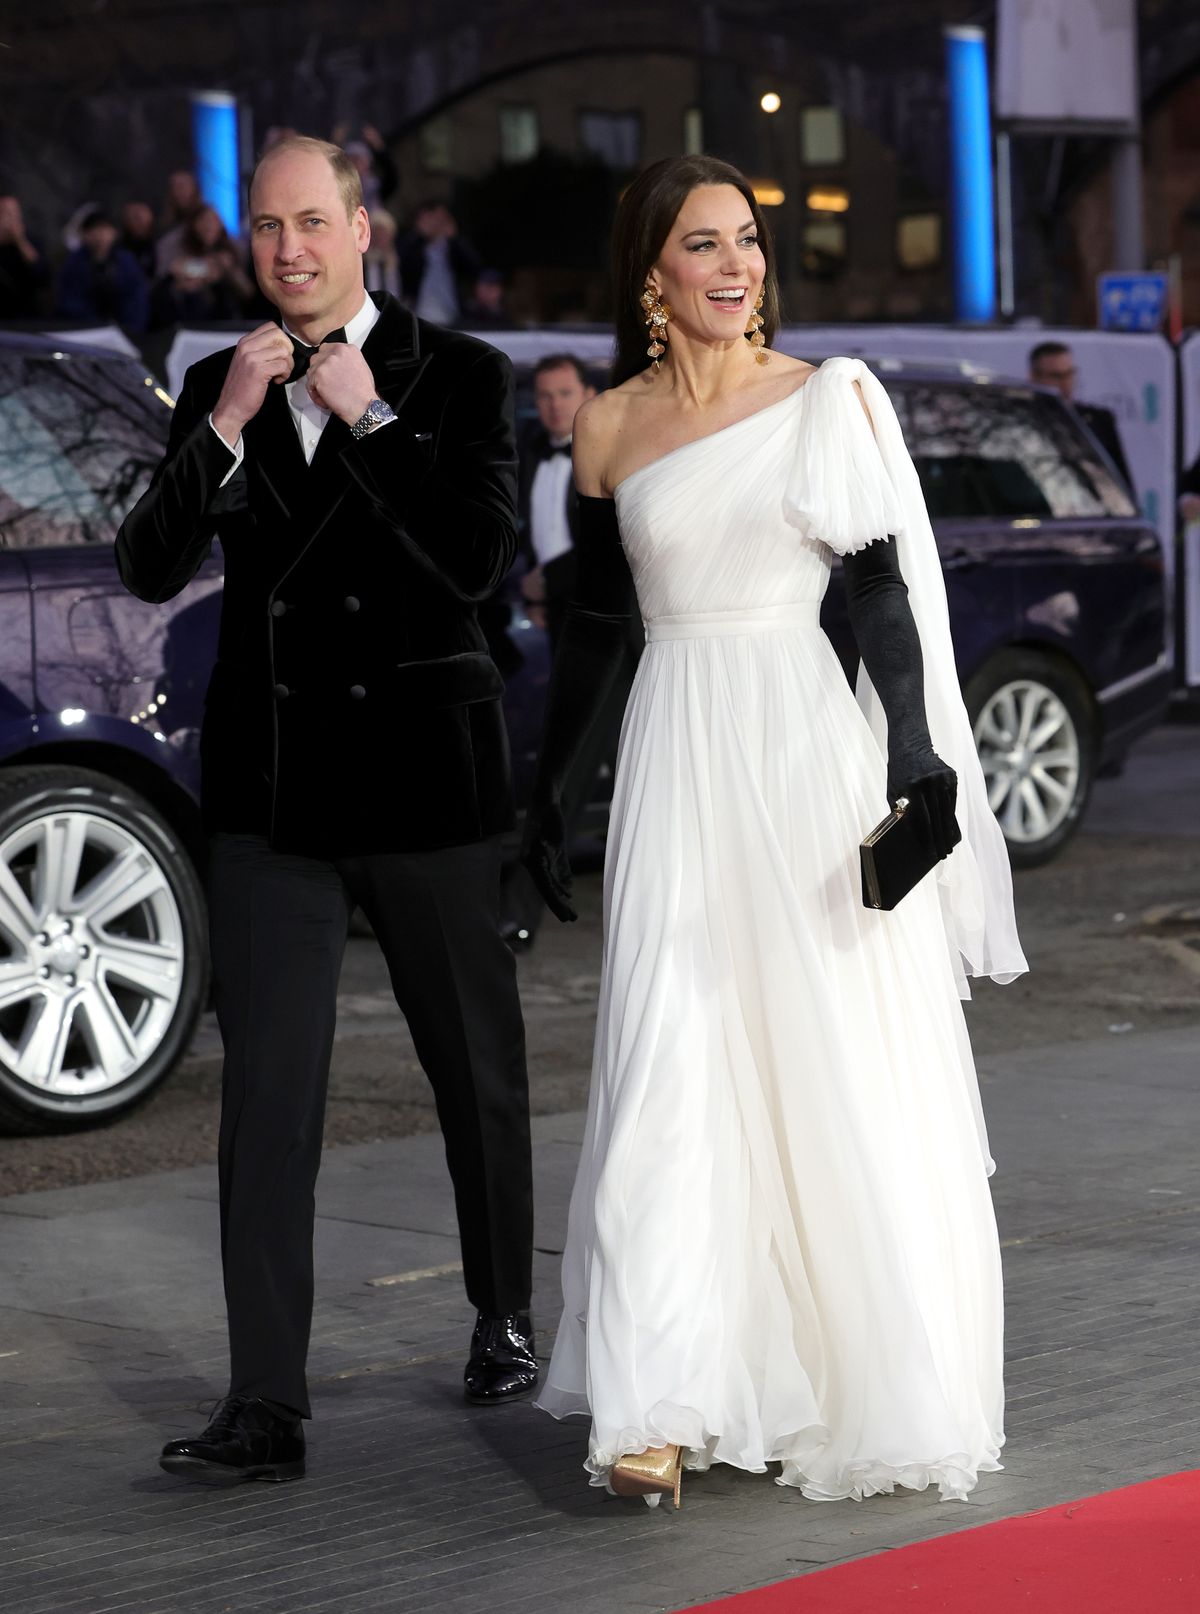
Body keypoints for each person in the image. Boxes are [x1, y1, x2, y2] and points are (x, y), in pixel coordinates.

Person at [524, 156, 1027, 1507]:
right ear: (653, 272)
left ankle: (846, 1368)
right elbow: (599, 635)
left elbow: (877, 594)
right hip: (676, 759)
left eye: (748, 239)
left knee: (820, 1061)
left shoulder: (823, 403)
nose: (737, 264)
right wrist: (548, 798)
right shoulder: (607, 431)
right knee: (670, 1055)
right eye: (705, 244)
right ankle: (659, 1398)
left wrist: (916, 749)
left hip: (802, 751)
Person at [116, 135, 536, 1486]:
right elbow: (148, 563)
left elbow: (481, 560)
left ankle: (503, 1315)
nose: (287, 250)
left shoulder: (463, 377)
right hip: (277, 793)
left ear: (364, 229)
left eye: (311, 222)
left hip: (428, 778)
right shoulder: (216, 379)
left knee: (473, 1073)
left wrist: (374, 419)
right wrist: (232, 421)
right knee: (268, 1100)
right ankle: (268, 1401)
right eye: (264, 229)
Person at [501, 354, 640, 952]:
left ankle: (523, 906)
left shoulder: (618, 441)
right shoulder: (531, 448)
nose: (556, 405)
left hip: (623, 632)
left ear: (590, 392)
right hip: (566, 625)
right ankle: (525, 904)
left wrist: (545, 583)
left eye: (566, 393)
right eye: (546, 395)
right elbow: (524, 528)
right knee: (572, 764)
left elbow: (608, 545)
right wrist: (532, 588)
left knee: (592, 765)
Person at [1028, 339, 1133, 491]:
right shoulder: (1019, 420)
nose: (1065, 383)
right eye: (1056, 376)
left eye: (1069, 374)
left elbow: (1121, 483)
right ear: (1034, 377)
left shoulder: (1099, 420)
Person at [154, 203, 254, 324]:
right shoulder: (183, 252)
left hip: (227, 319)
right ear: (194, 225)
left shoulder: (232, 250)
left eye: (213, 221)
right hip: (191, 317)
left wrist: (229, 270)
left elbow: (248, 292)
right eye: (203, 221)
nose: (208, 226)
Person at [55, 208, 148, 330]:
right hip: (84, 329)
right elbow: (70, 301)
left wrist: (128, 331)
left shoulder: (126, 262)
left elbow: (136, 300)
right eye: (95, 229)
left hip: (123, 331)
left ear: (114, 233)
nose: (101, 235)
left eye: (105, 229)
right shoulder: (75, 262)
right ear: (84, 234)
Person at [399, 200, 481, 327]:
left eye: (441, 219)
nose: (436, 224)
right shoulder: (414, 246)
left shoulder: (453, 247)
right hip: (420, 315)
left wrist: (454, 238)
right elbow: (403, 265)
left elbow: (474, 267)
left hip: (452, 315)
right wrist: (418, 235)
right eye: (431, 218)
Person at [0, 196, 49, 319]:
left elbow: (42, 276)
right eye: (4, 213)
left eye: (13, 214)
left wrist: (20, 240)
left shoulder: (32, 241)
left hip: (27, 315)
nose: (9, 219)